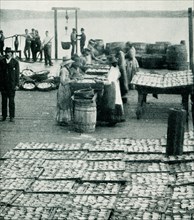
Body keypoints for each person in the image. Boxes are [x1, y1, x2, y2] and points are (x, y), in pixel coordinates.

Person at [99, 56, 124, 126]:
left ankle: (112, 120)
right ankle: (117, 118)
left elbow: (108, 81)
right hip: (115, 85)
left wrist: (102, 81)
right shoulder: (116, 68)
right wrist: (106, 75)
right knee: (117, 101)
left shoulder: (112, 70)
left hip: (111, 87)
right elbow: (115, 75)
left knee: (110, 103)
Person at [0, 47, 20, 122]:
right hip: (3, 85)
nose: (8, 54)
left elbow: (17, 74)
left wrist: (17, 84)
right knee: (3, 101)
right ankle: (4, 116)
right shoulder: (2, 61)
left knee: (11, 101)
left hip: (11, 85)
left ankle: (12, 116)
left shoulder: (15, 62)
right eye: (6, 52)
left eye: (9, 52)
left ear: (11, 53)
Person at [56, 56, 74, 125]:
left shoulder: (66, 69)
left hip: (66, 87)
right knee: (63, 103)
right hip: (63, 88)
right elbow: (63, 81)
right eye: (70, 63)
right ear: (67, 64)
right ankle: (62, 120)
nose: (71, 64)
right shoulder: (64, 70)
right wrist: (72, 81)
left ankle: (64, 119)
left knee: (66, 102)